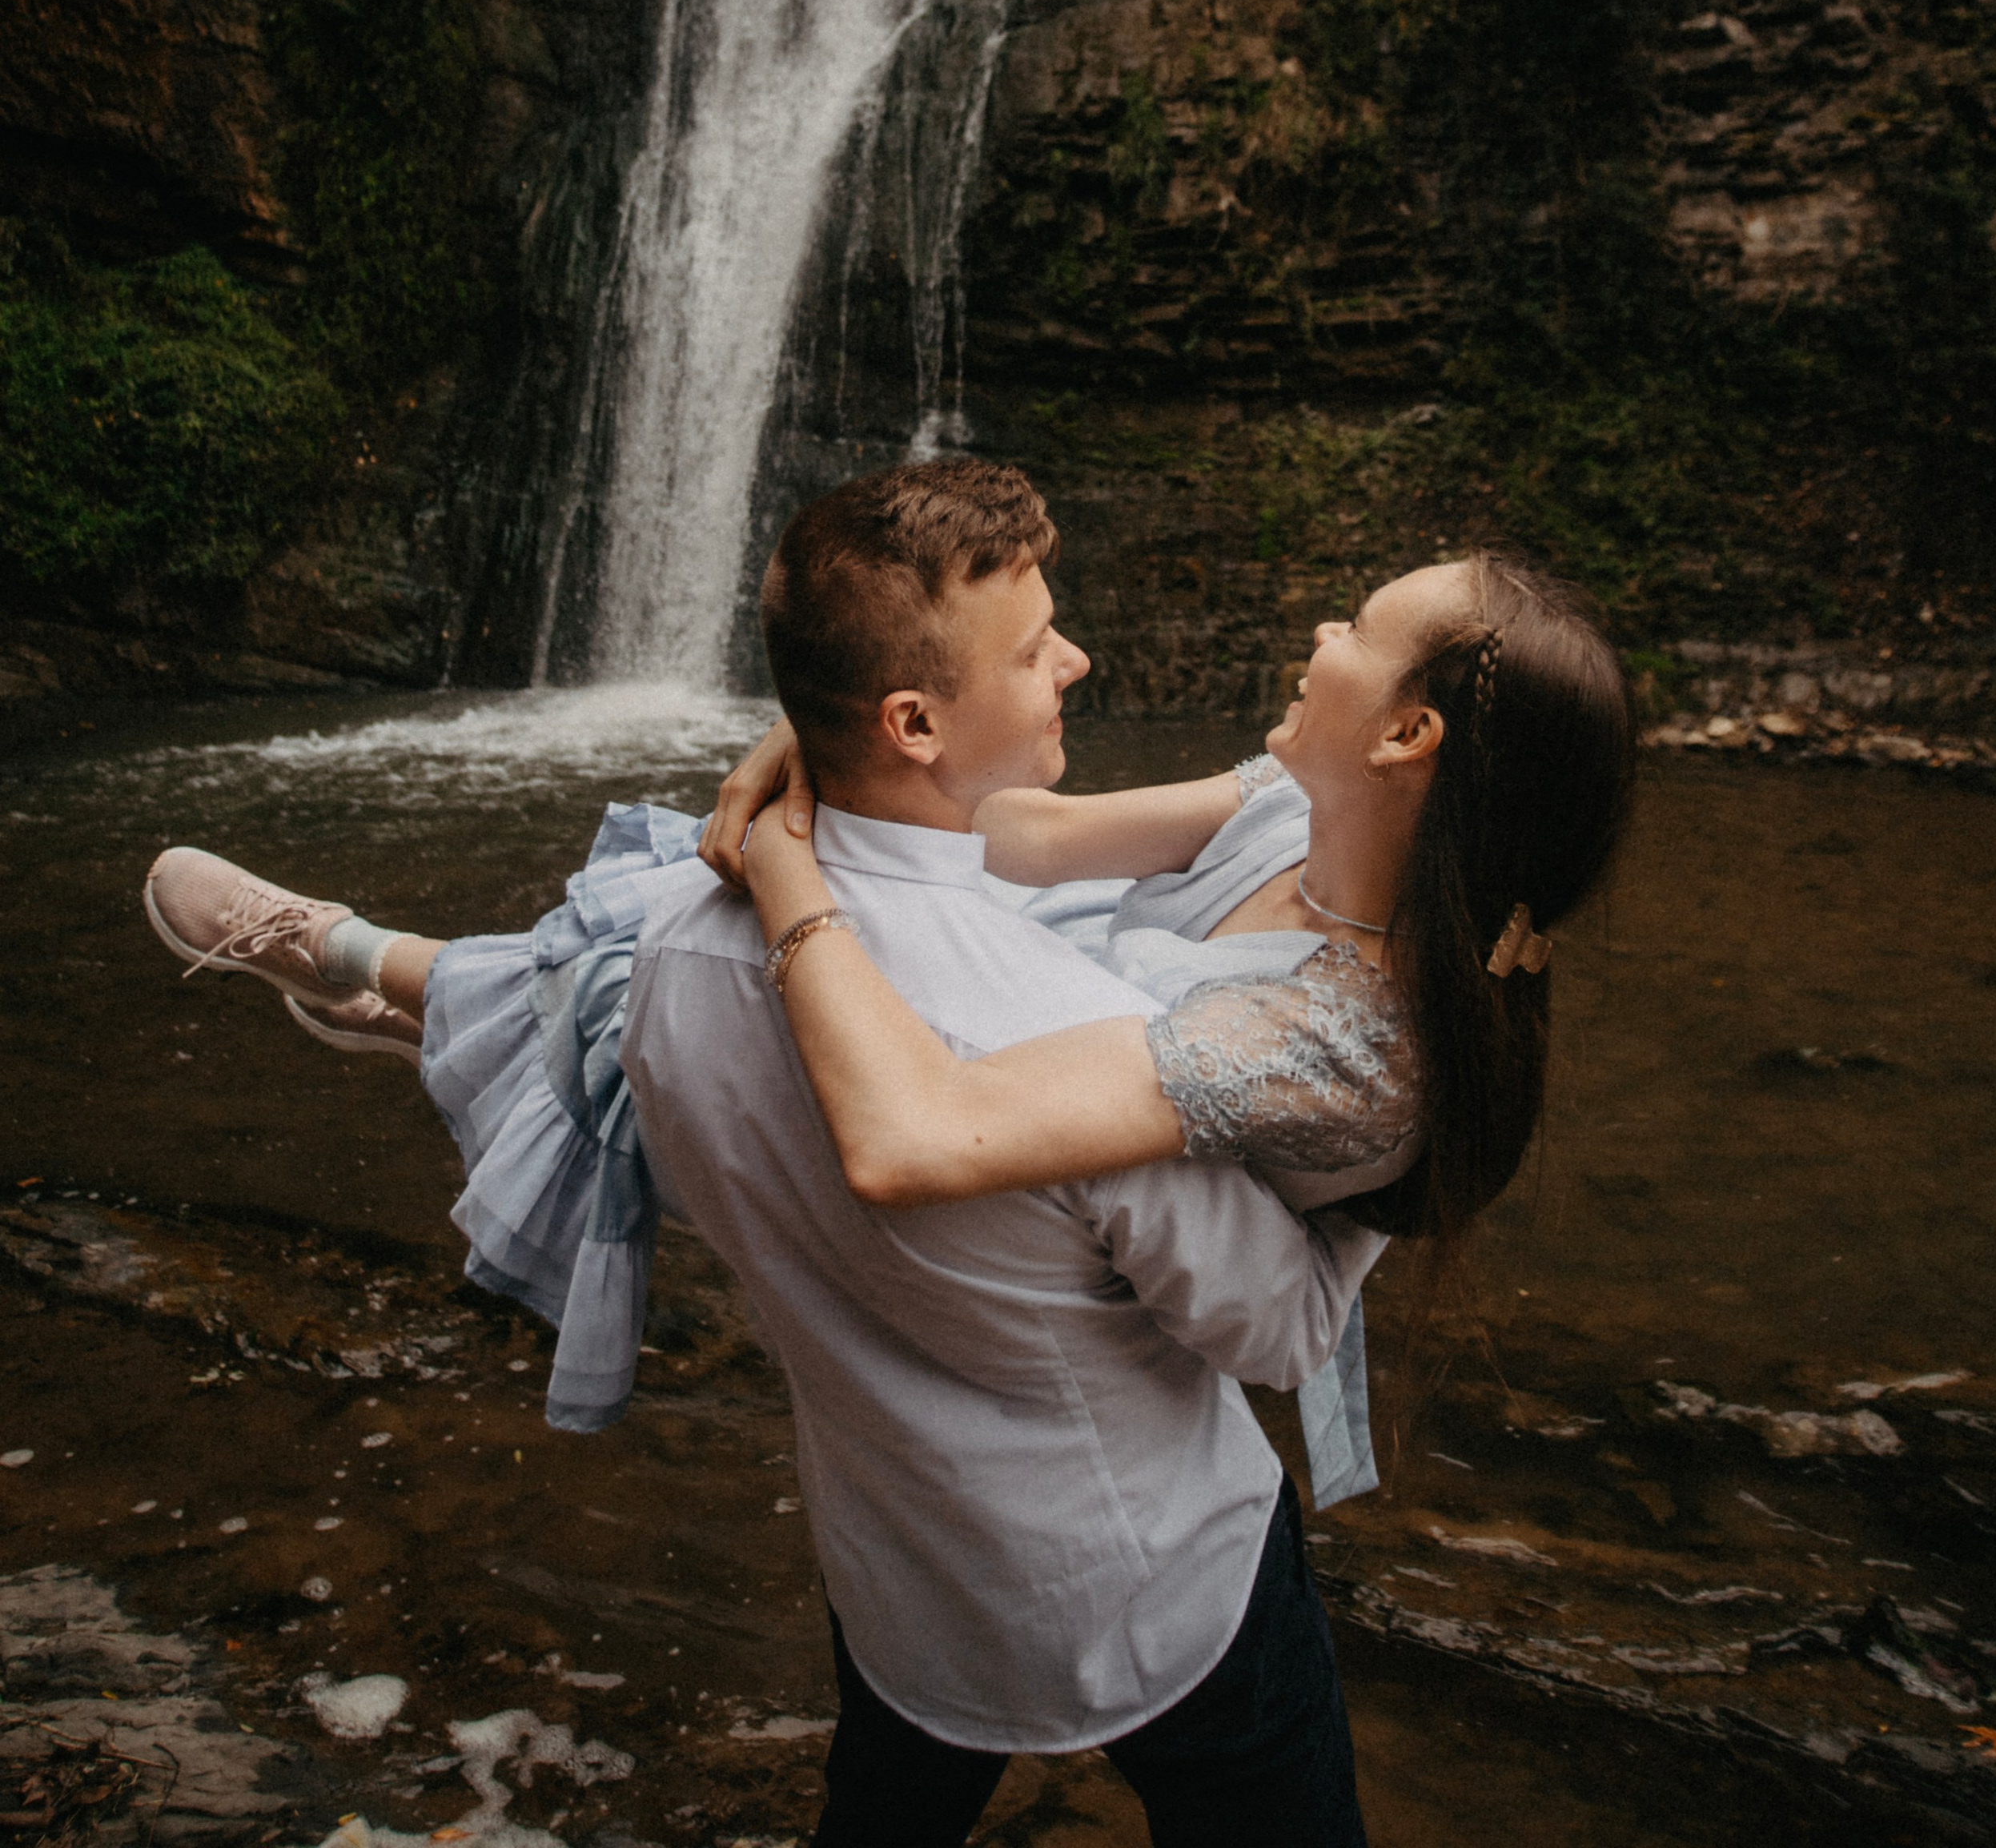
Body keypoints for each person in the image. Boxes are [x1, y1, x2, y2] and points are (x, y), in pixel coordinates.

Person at [143, 457, 1631, 1843]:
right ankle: (395, 983)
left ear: (1409, 736)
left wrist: (789, 857)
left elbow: (960, 1151)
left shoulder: (1312, 1052)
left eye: (1356, 626)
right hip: (1135, 1562)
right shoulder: (1268, 815)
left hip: (913, 1543)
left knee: (646, 973)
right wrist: (830, 732)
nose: (1318, 629)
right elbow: (1025, 844)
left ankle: (392, 980)